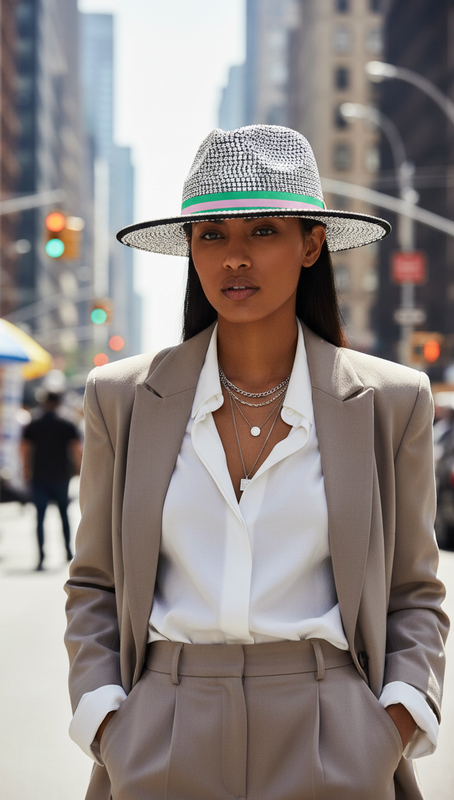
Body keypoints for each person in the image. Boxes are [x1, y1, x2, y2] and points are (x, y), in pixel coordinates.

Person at [64, 125, 448, 800]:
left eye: (261, 231)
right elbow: (94, 584)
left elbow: (413, 591)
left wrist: (392, 721)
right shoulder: (120, 398)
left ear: (309, 243)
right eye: (212, 234)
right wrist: (106, 722)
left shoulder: (391, 401)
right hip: (162, 729)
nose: (233, 257)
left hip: (334, 734)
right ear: (190, 248)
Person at [22, 391, 81, 570]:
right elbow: (76, 449)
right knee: (64, 514)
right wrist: (79, 469)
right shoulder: (67, 424)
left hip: (39, 475)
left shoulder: (34, 424)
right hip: (61, 474)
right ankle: (67, 551)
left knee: (40, 516)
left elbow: (25, 449)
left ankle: (41, 555)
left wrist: (26, 470)